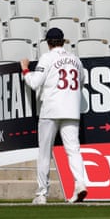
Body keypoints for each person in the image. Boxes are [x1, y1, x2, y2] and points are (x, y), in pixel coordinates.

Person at [20, 27, 87, 204]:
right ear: (63, 41)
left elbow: (34, 83)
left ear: (48, 43)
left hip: (51, 109)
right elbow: (82, 80)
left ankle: (42, 194)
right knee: (73, 150)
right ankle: (80, 183)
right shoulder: (75, 59)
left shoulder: (47, 58)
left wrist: (25, 70)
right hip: (71, 110)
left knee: (44, 152)